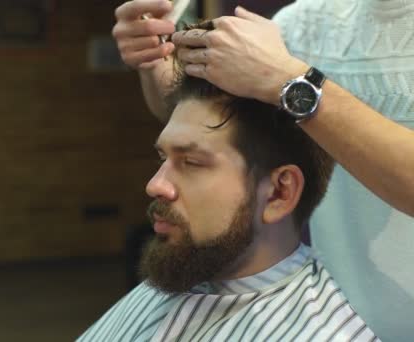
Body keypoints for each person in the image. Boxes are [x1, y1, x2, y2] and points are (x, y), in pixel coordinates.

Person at [113, 0, 414, 339]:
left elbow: (286, 87)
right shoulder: (305, 23)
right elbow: (207, 132)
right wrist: (156, 60)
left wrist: (292, 83)